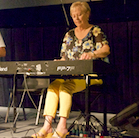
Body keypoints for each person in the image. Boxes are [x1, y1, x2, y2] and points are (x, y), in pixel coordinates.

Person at [32, 1, 110, 138]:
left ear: (87, 14)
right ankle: (47, 126)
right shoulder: (69, 35)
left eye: (79, 15)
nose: (76, 18)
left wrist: (93, 54)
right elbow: (64, 58)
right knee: (53, 86)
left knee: (65, 87)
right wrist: (59, 62)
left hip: (91, 75)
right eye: (74, 16)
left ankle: (62, 127)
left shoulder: (95, 31)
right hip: (72, 74)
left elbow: (105, 49)